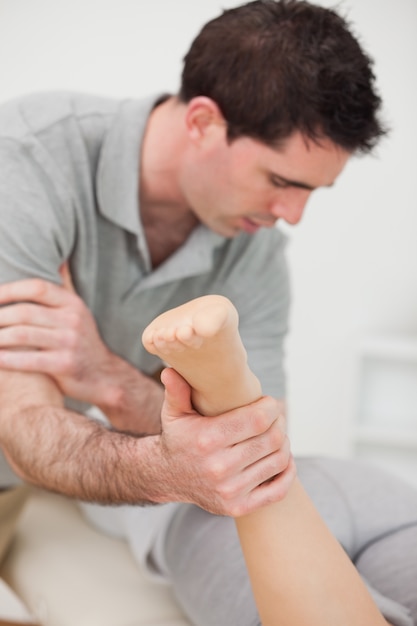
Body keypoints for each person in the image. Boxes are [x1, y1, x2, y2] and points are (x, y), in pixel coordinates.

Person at [0, 0, 415, 624]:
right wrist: (178, 455)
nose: (293, 214)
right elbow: (24, 428)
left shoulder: (256, 249)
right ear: (201, 121)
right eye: (282, 179)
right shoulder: (28, 163)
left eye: (312, 191)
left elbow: (262, 444)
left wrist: (105, 376)